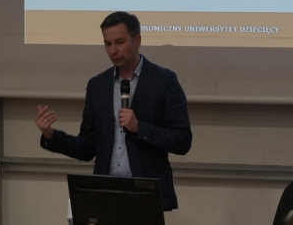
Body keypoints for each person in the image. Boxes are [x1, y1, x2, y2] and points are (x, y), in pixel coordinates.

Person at [34, 12, 192, 211]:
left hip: (146, 195)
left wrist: (140, 127)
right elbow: (87, 147)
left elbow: (182, 141)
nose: (113, 50)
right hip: (105, 193)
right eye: (107, 44)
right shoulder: (97, 86)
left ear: (137, 41)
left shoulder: (164, 81)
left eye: (119, 42)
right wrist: (51, 135)